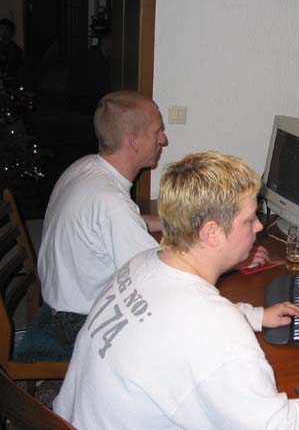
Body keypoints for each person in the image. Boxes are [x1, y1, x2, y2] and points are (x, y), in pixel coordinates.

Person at [54, 151, 299, 430]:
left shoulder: (143, 263)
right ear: (212, 233)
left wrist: (256, 316)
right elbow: (275, 428)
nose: (259, 226)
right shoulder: (216, 332)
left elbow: (170, 324)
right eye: (250, 219)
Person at [29, 91, 268, 360]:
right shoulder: (112, 204)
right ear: (133, 141)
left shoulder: (85, 169)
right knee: (195, 346)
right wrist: (235, 260)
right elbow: (168, 282)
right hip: (76, 325)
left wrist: (172, 221)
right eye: (157, 132)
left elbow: (107, 224)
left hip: (57, 305)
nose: (163, 139)